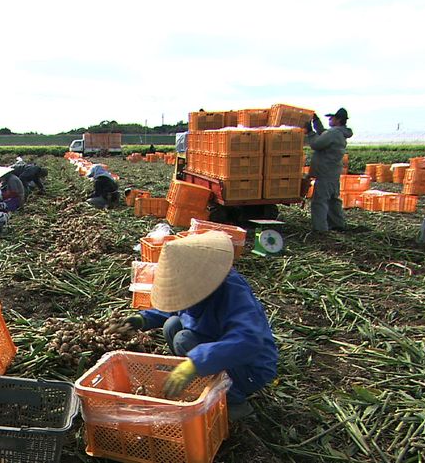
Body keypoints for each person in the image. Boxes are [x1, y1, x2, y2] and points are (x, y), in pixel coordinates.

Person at [120, 231, 278, 421]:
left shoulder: (233, 293)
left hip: (250, 366)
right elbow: (176, 308)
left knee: (183, 339)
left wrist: (196, 362)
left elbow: (248, 341)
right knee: (173, 325)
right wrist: (143, 319)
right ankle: (206, 379)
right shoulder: (197, 290)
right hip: (218, 344)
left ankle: (234, 400)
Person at [303, 108, 353, 232]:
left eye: (332, 118)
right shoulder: (338, 133)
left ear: (338, 120)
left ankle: (320, 229)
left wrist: (309, 131)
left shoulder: (334, 133)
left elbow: (317, 144)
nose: (330, 120)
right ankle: (337, 224)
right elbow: (323, 133)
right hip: (333, 172)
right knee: (333, 199)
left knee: (319, 201)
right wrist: (316, 121)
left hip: (325, 172)